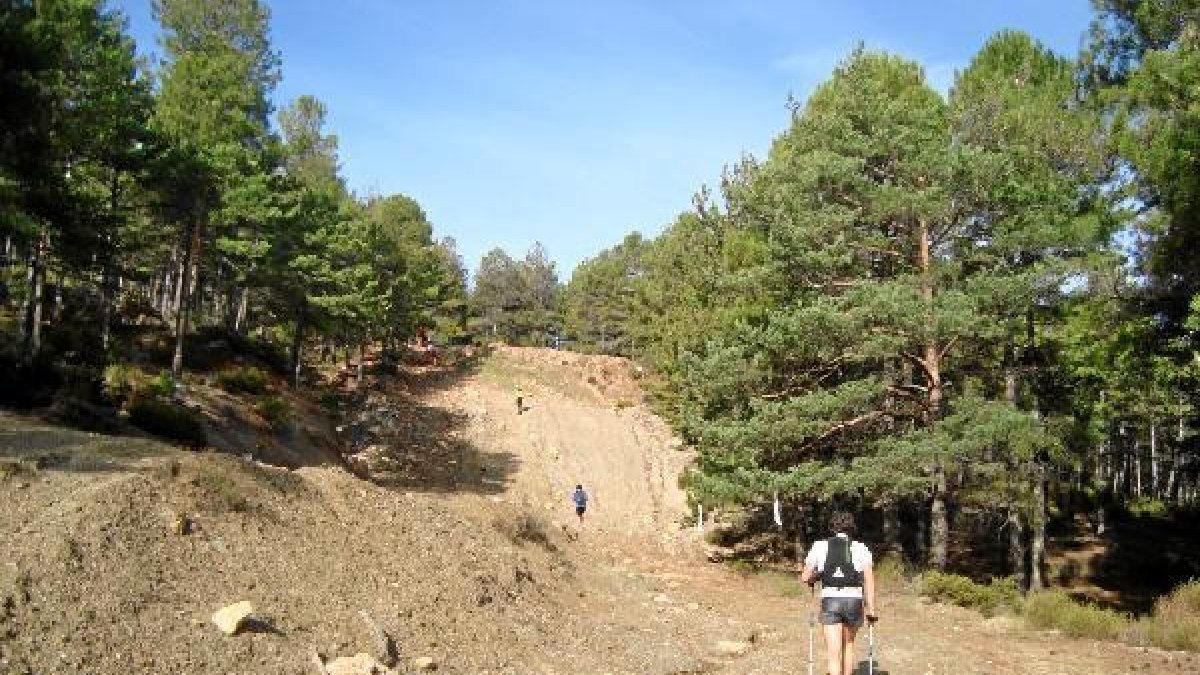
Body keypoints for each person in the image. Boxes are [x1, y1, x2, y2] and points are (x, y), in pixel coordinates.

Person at [799, 511, 878, 675]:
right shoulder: (860, 548)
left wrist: (817, 576)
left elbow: (805, 577)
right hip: (853, 600)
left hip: (830, 600)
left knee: (833, 653)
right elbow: (869, 581)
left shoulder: (820, 546)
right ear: (851, 528)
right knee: (848, 646)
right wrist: (871, 609)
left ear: (832, 528)